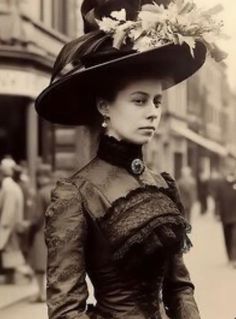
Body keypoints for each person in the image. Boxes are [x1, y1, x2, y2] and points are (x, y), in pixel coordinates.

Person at [35, 0, 226, 318]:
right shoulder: (76, 194)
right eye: (139, 101)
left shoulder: (161, 184)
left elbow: (179, 287)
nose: (152, 112)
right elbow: (66, 310)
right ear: (104, 107)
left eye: (156, 101)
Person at [28, 164, 54, 302]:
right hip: (56, 231)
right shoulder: (58, 189)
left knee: (39, 266)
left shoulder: (41, 192)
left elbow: (37, 217)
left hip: (41, 232)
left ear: (41, 176)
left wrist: (29, 227)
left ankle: (42, 294)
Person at [0, 158, 26, 284]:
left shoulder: (8, 186)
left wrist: (4, 225)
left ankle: (25, 272)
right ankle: (12, 277)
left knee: (10, 250)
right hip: (12, 224)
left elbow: (8, 209)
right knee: (10, 251)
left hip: (9, 225)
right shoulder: (12, 186)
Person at [214, 155, 236, 268]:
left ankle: (234, 259)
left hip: (235, 215)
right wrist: (217, 213)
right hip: (225, 214)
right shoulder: (220, 184)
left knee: (234, 236)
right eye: (229, 169)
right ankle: (230, 257)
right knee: (227, 237)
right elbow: (217, 200)